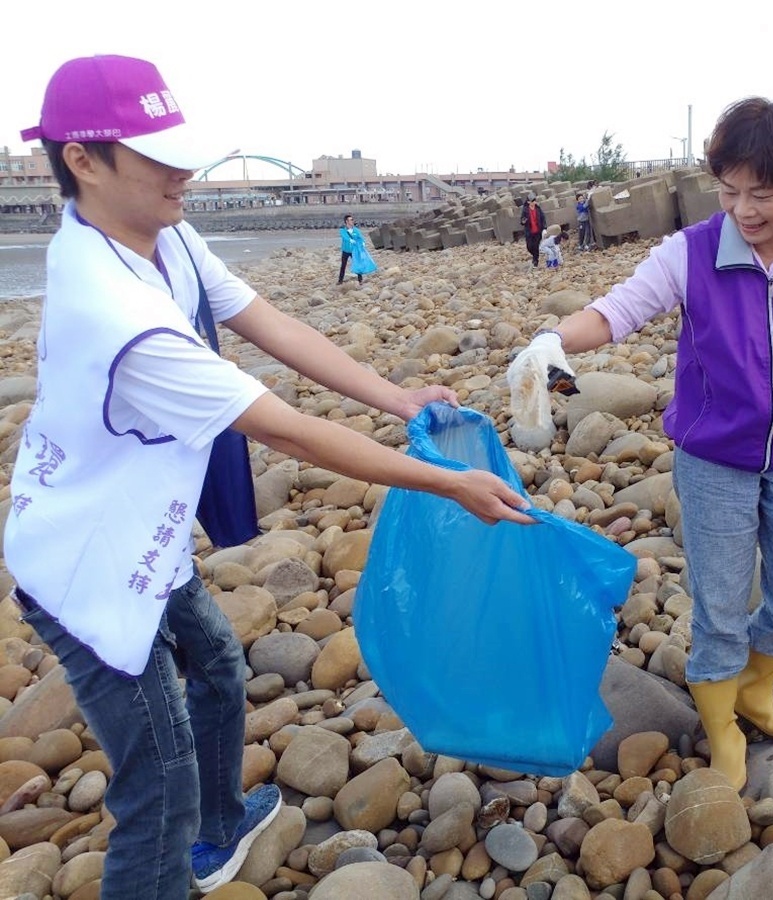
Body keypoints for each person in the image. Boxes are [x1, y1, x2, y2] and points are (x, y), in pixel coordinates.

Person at [9, 54, 533, 900]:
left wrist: (395, 394)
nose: (184, 170)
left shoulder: (165, 236)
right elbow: (288, 429)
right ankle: (185, 843)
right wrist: (451, 486)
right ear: (83, 159)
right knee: (156, 787)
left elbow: (268, 321)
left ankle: (222, 828)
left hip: (143, 529)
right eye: (155, 152)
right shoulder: (111, 308)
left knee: (215, 660)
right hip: (86, 566)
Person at [508, 97, 773, 792]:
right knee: (721, 608)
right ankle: (723, 725)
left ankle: (757, 691)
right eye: (729, 191)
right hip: (714, 461)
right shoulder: (692, 252)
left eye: (763, 193)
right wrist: (552, 341)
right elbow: (619, 309)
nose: (743, 210)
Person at [520, 192, 546, 267]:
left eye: (534, 201)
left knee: (536, 246)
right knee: (529, 247)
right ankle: (535, 255)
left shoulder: (538, 208)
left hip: (538, 230)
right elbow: (522, 219)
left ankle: (535, 260)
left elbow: (543, 218)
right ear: (528, 202)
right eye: (532, 201)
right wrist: (523, 221)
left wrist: (544, 228)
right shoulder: (525, 209)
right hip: (529, 231)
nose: (534, 203)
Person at [338, 214, 364, 284]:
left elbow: (360, 237)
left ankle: (360, 280)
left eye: (352, 220)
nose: (352, 221)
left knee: (357, 264)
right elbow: (345, 237)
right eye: (351, 220)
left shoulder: (356, 230)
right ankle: (340, 280)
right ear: (346, 221)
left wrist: (362, 243)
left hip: (354, 250)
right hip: (345, 250)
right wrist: (350, 240)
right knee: (343, 265)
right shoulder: (342, 230)